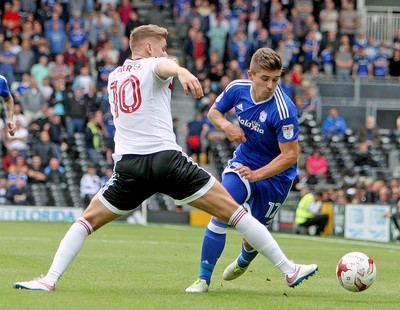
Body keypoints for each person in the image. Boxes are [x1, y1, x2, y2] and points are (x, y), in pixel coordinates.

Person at [13, 25, 317, 292]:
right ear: (148, 48)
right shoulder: (155, 64)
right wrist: (183, 71)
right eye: (162, 46)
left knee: (85, 221)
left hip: (129, 167)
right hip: (165, 161)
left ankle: (49, 280)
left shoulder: (115, 76)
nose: (166, 52)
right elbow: (164, 67)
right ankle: (289, 270)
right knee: (235, 213)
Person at [186, 47, 317, 293]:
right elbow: (214, 113)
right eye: (265, 78)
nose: (270, 85)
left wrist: (258, 175)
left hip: (276, 177)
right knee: (221, 211)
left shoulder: (284, 109)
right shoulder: (237, 89)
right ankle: (203, 280)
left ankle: (245, 258)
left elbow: (290, 156)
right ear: (251, 75)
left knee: (253, 236)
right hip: (243, 164)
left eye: (276, 79)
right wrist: (227, 126)